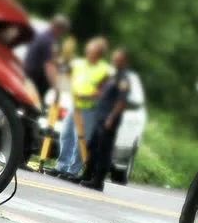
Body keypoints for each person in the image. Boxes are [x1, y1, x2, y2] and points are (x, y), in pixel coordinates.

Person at [53, 37, 113, 181]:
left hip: (89, 109)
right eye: (88, 51)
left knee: (81, 140)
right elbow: (65, 72)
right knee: (66, 135)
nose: (89, 54)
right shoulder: (79, 63)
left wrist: (87, 96)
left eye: (92, 52)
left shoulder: (104, 70)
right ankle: (61, 167)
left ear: (99, 54)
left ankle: (73, 171)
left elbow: (103, 91)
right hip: (75, 105)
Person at [79, 48, 132, 192]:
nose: (114, 62)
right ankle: (87, 175)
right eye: (113, 59)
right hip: (100, 117)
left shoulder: (123, 79)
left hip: (108, 120)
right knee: (93, 147)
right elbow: (101, 93)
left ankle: (97, 181)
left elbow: (121, 102)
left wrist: (111, 118)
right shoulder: (112, 75)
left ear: (124, 62)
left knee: (103, 150)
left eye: (117, 60)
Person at [22, 14, 70, 98]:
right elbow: (49, 66)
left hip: (28, 77)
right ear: (59, 29)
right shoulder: (49, 41)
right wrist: (56, 87)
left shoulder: (42, 36)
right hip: (36, 81)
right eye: (63, 31)